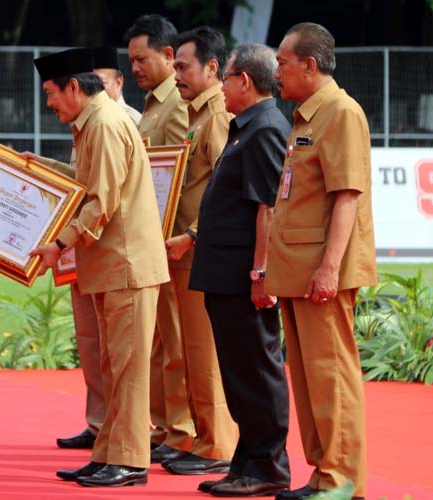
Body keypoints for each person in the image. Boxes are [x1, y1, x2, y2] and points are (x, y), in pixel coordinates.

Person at [30, 48, 169, 487]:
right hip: (113, 265)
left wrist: (58, 244)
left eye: (51, 93)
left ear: (74, 87)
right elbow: (88, 184)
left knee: (126, 368)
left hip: (125, 264)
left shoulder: (105, 125)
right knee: (114, 365)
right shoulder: (94, 123)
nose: (48, 103)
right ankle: (109, 453)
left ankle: (129, 461)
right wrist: (39, 168)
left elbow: (101, 201)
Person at [268, 23, 376, 500]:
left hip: (319, 271)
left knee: (331, 377)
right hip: (297, 268)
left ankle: (342, 482)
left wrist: (330, 268)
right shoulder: (306, 116)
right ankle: (322, 475)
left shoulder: (341, 113)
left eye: (283, 63)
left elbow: (347, 197)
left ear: (309, 66)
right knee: (310, 380)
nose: (276, 72)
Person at [189, 44, 292, 497]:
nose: (221, 85)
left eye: (226, 77)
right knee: (238, 370)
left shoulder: (265, 127)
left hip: (242, 274)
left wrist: (260, 274)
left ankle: (268, 465)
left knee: (255, 368)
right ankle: (248, 460)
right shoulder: (245, 127)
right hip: (225, 270)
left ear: (244, 81)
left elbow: (268, 205)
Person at [157, 26, 239, 477]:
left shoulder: (218, 116)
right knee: (190, 350)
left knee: (205, 351)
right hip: (184, 249)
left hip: (198, 248)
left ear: (213, 68)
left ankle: (217, 444)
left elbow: (225, 190)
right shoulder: (194, 116)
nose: (178, 74)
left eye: (184, 66)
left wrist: (191, 234)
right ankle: (204, 437)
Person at [124, 13, 194, 463]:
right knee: (158, 341)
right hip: (154, 236)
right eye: (130, 60)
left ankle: (183, 430)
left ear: (169, 55)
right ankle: (164, 425)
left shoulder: (179, 103)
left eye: (141, 58)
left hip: (173, 237)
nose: (134, 68)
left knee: (177, 340)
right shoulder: (153, 103)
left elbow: (185, 176)